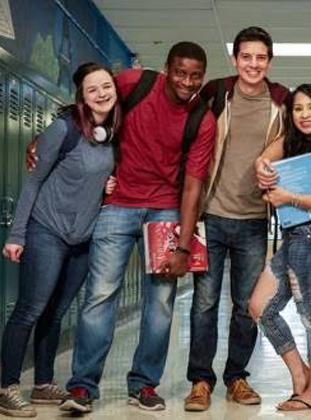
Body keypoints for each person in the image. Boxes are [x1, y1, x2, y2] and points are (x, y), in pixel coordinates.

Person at [23, 42, 217, 413]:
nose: (187, 82)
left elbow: (194, 184)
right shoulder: (135, 82)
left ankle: (144, 384)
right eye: (180, 73)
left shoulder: (202, 120)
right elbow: (91, 103)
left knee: (160, 302)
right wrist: (46, 138)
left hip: (165, 209)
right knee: (100, 294)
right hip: (117, 204)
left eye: (195, 76)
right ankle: (83, 386)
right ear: (166, 69)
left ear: (202, 77)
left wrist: (183, 246)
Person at [0, 62, 120, 418]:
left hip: (82, 238)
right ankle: (6, 387)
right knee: (30, 309)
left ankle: (43, 382)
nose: (101, 94)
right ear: (82, 97)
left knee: (56, 312)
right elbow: (34, 182)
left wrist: (106, 186)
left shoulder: (114, 132)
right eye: (92, 89)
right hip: (47, 230)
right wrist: (17, 234)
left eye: (106, 86)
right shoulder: (63, 129)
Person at [183, 27, 289, 412]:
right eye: (246, 57)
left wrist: (271, 158)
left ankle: (236, 377)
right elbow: (181, 127)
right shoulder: (216, 93)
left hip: (253, 220)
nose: (253, 64)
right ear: (235, 59)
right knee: (204, 303)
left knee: (246, 306)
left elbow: (295, 141)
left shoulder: (281, 101)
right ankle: (200, 380)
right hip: (211, 215)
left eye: (261, 58)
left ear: (269, 61)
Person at [249, 83, 311, 411]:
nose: (305, 115)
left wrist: (288, 197)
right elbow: (265, 157)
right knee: (259, 307)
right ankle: (301, 376)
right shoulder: (294, 142)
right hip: (292, 237)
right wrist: (262, 168)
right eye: (298, 108)